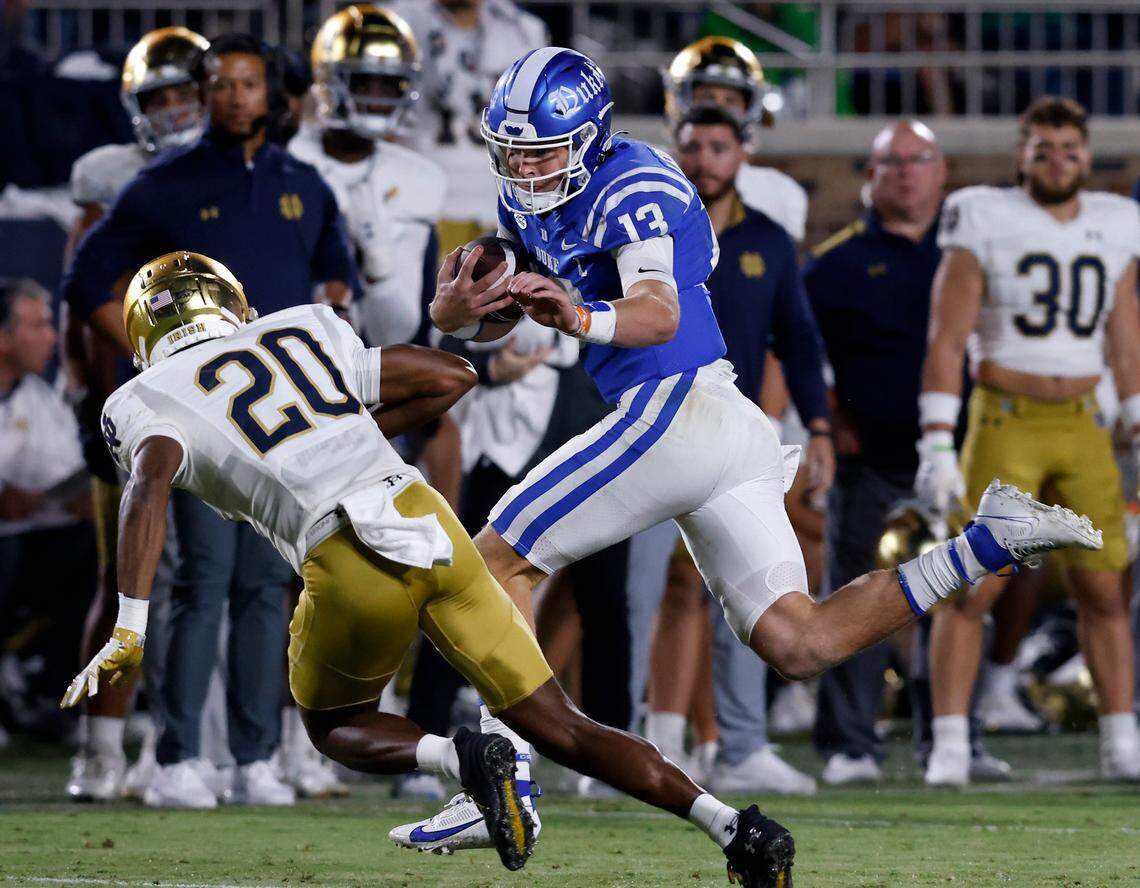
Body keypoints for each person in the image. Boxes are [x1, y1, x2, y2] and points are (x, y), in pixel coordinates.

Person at [416, 46, 1102, 858]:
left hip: (675, 408)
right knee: (797, 640)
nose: (527, 169)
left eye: (542, 151)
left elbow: (656, 312)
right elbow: (490, 311)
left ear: (592, 136)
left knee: (490, 565)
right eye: (515, 152)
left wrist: (575, 320)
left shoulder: (629, 183)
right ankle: (987, 542)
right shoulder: (539, 193)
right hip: (722, 423)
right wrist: (455, 310)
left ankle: (501, 775)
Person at [62, 250, 798, 886]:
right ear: (233, 304)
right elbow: (450, 374)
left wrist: (129, 624)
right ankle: (736, 828)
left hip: (346, 551)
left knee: (336, 726)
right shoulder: (302, 326)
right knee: (557, 724)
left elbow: (148, 481)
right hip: (431, 521)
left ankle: (462, 758)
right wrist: (345, 435)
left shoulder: (142, 397)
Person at [62, 32, 358, 808]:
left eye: (249, 83)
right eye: (221, 83)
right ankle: (177, 756)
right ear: (204, 91)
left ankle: (256, 757)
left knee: (268, 584)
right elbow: (87, 277)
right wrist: (151, 359)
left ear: (274, 94)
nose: (235, 96)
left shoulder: (307, 184)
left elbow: (337, 283)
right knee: (203, 577)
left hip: (281, 418)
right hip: (199, 416)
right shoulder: (166, 182)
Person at [916, 96, 1140, 785]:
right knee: (972, 585)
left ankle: (1119, 740)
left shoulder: (1117, 220)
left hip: (1082, 422)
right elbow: (948, 335)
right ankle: (951, 740)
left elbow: (1124, 333)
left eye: (1069, 148)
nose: (1057, 160)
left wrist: (1135, 409)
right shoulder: (982, 213)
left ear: (1086, 154)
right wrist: (935, 438)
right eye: (1042, 148)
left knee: (1104, 590)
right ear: (1022, 152)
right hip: (1005, 416)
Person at [643, 103, 830, 796]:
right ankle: (658, 742)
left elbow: (799, 340)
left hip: (736, 440)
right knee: (654, 591)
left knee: (756, 587)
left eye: (718, 147)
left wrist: (816, 427)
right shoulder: (647, 229)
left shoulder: (770, 241)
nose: (704, 160)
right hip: (652, 426)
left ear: (741, 154)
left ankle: (742, 741)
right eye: (692, 146)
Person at [803, 120, 945, 785]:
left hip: (956, 452)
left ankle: (949, 737)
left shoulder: (965, 252)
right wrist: (828, 423)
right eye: (893, 162)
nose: (908, 173)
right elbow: (802, 354)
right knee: (856, 598)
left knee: (964, 599)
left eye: (919, 160)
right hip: (871, 457)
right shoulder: (836, 263)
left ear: (940, 171)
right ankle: (850, 743)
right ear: (871, 175)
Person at [293, 4, 444, 348]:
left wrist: (379, 266)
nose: (375, 100)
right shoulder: (289, 161)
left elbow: (398, 333)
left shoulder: (420, 179)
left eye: (388, 86)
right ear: (328, 80)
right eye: (363, 82)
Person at [0, 280, 94, 734]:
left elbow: (68, 480)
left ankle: (47, 688)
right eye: (38, 325)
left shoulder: (37, 400)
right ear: (3, 337)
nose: (52, 337)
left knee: (100, 556)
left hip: (25, 549)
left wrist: (83, 499)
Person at [663, 36, 807, 243]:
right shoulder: (649, 175)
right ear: (678, 101)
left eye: (730, 100)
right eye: (707, 97)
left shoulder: (780, 193)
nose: (718, 108)